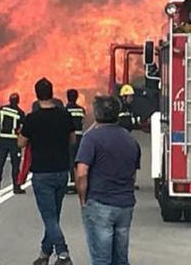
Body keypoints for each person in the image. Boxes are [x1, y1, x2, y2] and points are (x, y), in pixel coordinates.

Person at [76, 96, 141, 265]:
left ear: (97, 114)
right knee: (120, 258)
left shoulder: (91, 139)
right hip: (125, 205)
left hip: (100, 203)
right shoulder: (130, 140)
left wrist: (83, 199)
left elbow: (82, 173)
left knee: (101, 259)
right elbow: (133, 175)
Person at [18, 77, 76, 265]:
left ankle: (63, 253)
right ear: (52, 93)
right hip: (61, 172)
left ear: (36, 95)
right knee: (53, 216)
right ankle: (44, 254)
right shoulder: (64, 115)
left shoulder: (32, 119)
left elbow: (21, 143)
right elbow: (72, 140)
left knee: (49, 217)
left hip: (42, 174)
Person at [0, 92, 26, 194]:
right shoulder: (20, 113)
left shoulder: (1, 109)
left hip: (2, 141)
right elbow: (25, 128)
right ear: (18, 101)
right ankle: (16, 187)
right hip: (14, 141)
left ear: (9, 100)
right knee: (15, 166)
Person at [65, 89, 86, 194]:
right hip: (80, 136)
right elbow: (83, 122)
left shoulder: (65, 110)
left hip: (69, 137)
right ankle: (79, 182)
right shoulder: (81, 110)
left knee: (70, 159)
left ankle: (71, 181)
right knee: (78, 160)